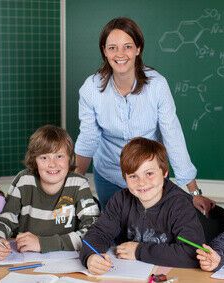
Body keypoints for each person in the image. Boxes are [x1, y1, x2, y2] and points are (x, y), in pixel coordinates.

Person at [74, 17, 215, 213]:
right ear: (104, 51)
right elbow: (88, 137)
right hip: (109, 174)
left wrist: (193, 191)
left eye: (127, 46)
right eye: (112, 47)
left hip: (148, 178)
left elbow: (172, 136)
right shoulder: (91, 87)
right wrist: (74, 181)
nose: (120, 54)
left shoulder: (157, 85)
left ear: (138, 49)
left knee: (149, 235)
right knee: (114, 235)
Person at [79, 137, 205, 274]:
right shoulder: (120, 200)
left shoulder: (180, 205)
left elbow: (192, 252)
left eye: (149, 173)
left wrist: (139, 251)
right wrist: (90, 256)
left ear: (164, 172)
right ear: (125, 178)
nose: (142, 183)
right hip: (129, 274)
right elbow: (98, 234)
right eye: (133, 176)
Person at [0, 125, 100, 260]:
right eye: (44, 157)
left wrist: (42, 243)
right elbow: (4, 219)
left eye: (59, 156)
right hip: (25, 261)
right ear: (35, 160)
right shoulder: (24, 181)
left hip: (65, 261)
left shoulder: (78, 184)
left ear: (70, 158)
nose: (52, 164)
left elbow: (94, 231)